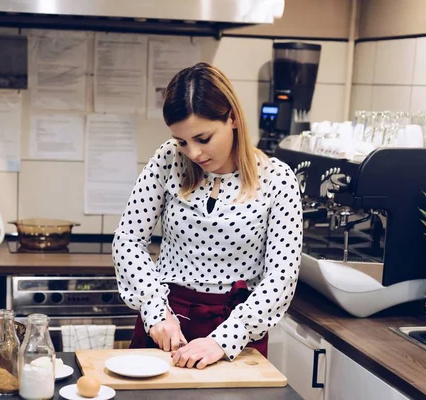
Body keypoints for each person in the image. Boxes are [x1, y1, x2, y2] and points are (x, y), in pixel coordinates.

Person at [112, 62, 302, 370]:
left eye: (203, 138)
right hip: (167, 326)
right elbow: (128, 239)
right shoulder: (168, 160)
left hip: (238, 335)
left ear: (233, 118)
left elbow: (281, 277)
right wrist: (155, 310)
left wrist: (223, 340)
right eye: (182, 141)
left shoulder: (277, 179)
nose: (194, 153)